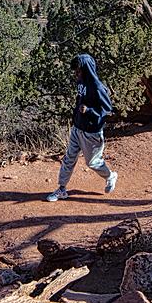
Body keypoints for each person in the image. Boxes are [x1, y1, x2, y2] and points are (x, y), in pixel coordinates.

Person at [46, 53, 117, 201]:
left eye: (78, 69)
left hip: (91, 132)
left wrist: (90, 111)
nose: (76, 73)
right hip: (77, 128)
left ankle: (110, 175)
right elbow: (79, 101)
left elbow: (108, 110)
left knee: (92, 162)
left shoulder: (97, 87)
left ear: (87, 69)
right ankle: (61, 189)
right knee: (69, 158)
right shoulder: (81, 83)